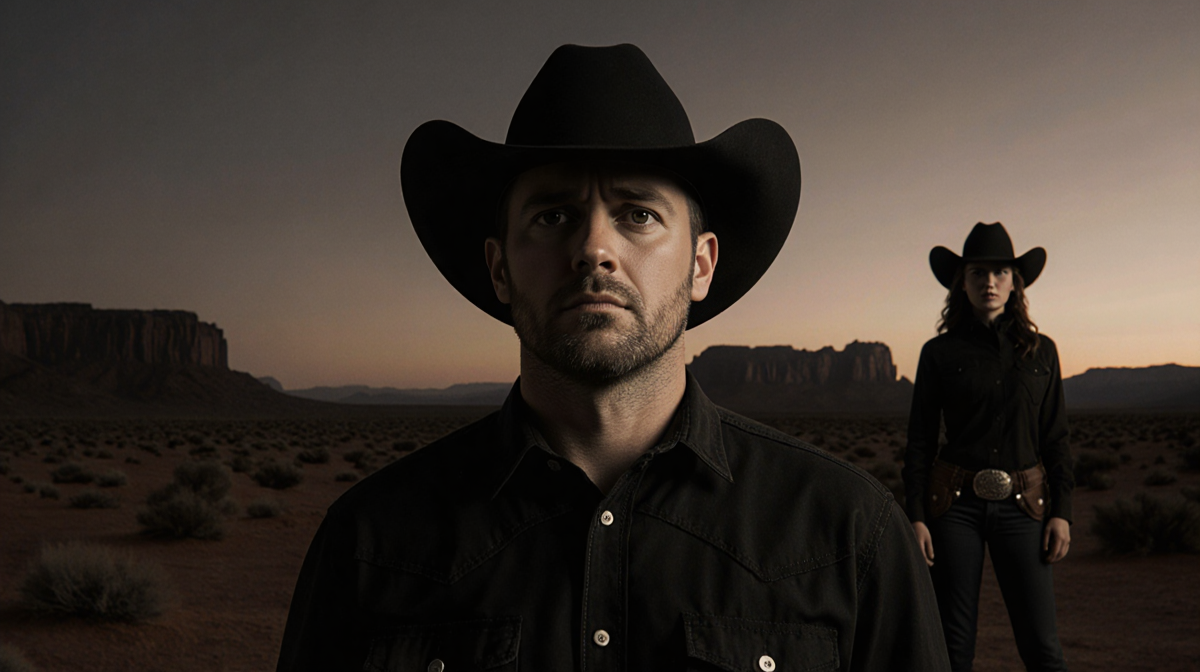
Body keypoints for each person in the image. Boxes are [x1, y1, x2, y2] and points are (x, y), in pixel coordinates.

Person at [278, 44, 949, 671]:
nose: (594, 249)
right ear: (500, 269)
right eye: (552, 216)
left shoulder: (850, 532)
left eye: (637, 215)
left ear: (701, 264)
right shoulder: (371, 541)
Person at [903, 222, 1074, 672]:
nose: (990, 282)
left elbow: (1056, 437)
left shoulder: (1043, 352)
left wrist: (1063, 511)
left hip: (1026, 507)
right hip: (953, 506)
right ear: (963, 281)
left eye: (1000, 272)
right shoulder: (938, 353)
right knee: (952, 647)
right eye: (978, 272)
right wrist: (917, 516)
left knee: (1042, 647)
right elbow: (919, 438)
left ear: (1016, 281)